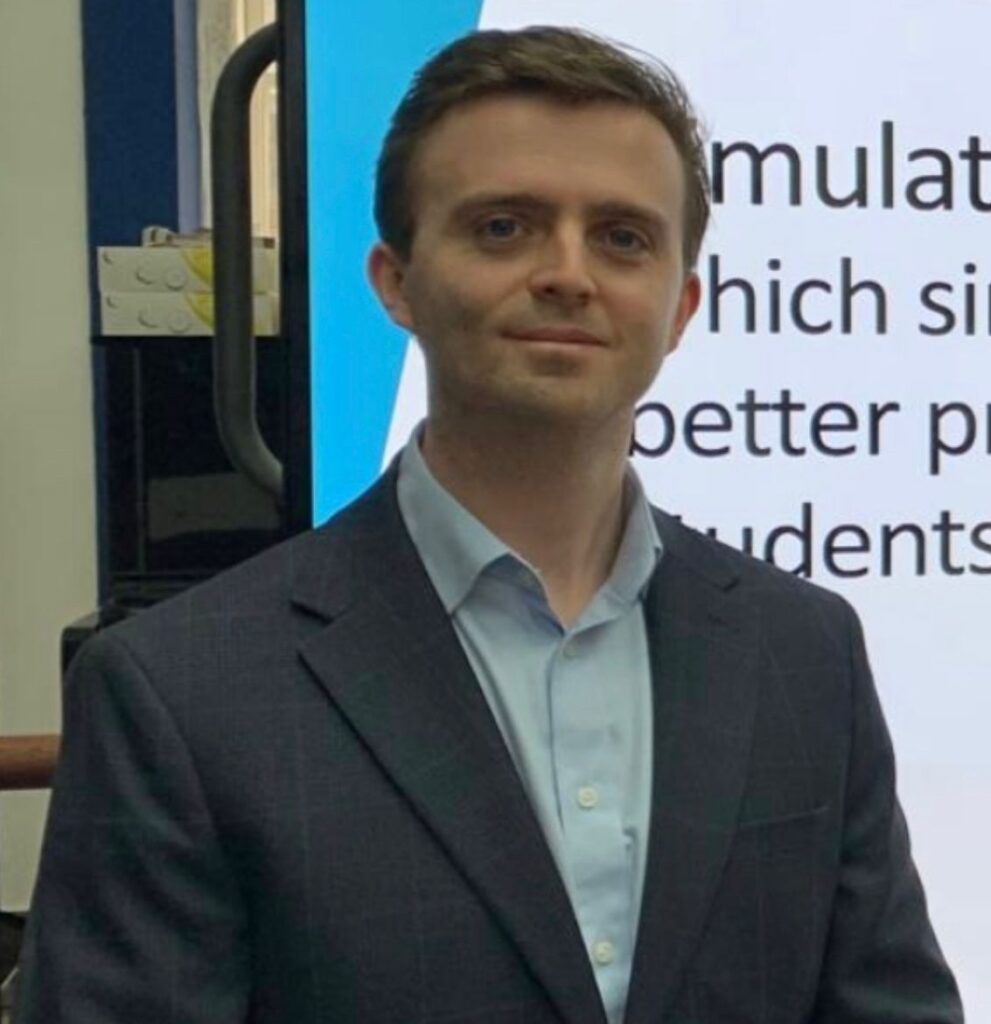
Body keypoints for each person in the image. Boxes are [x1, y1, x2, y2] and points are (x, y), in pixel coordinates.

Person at [17, 25, 963, 1024]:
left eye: (622, 237)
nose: (567, 273)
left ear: (680, 306)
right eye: (504, 227)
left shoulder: (802, 650)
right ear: (395, 282)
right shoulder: (180, 692)